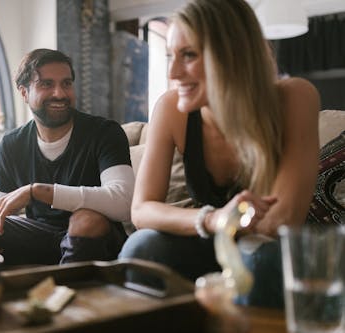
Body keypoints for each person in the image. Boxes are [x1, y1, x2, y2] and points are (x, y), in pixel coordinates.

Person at [118, 0, 320, 308]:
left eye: (188, 55)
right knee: (140, 249)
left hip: (272, 250)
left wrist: (231, 221)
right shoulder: (171, 108)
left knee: (261, 261)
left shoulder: (294, 97)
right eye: (172, 55)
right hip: (209, 240)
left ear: (232, 56)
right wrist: (213, 219)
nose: (173, 72)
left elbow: (282, 220)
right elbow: (142, 210)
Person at [0, 48, 134, 266]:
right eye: (46, 84)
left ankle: (62, 291)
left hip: (95, 239)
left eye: (67, 83)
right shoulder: (11, 144)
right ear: (24, 92)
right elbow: (2, 216)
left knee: (86, 220)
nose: (60, 94)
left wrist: (37, 192)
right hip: (40, 236)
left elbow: (124, 202)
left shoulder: (105, 132)